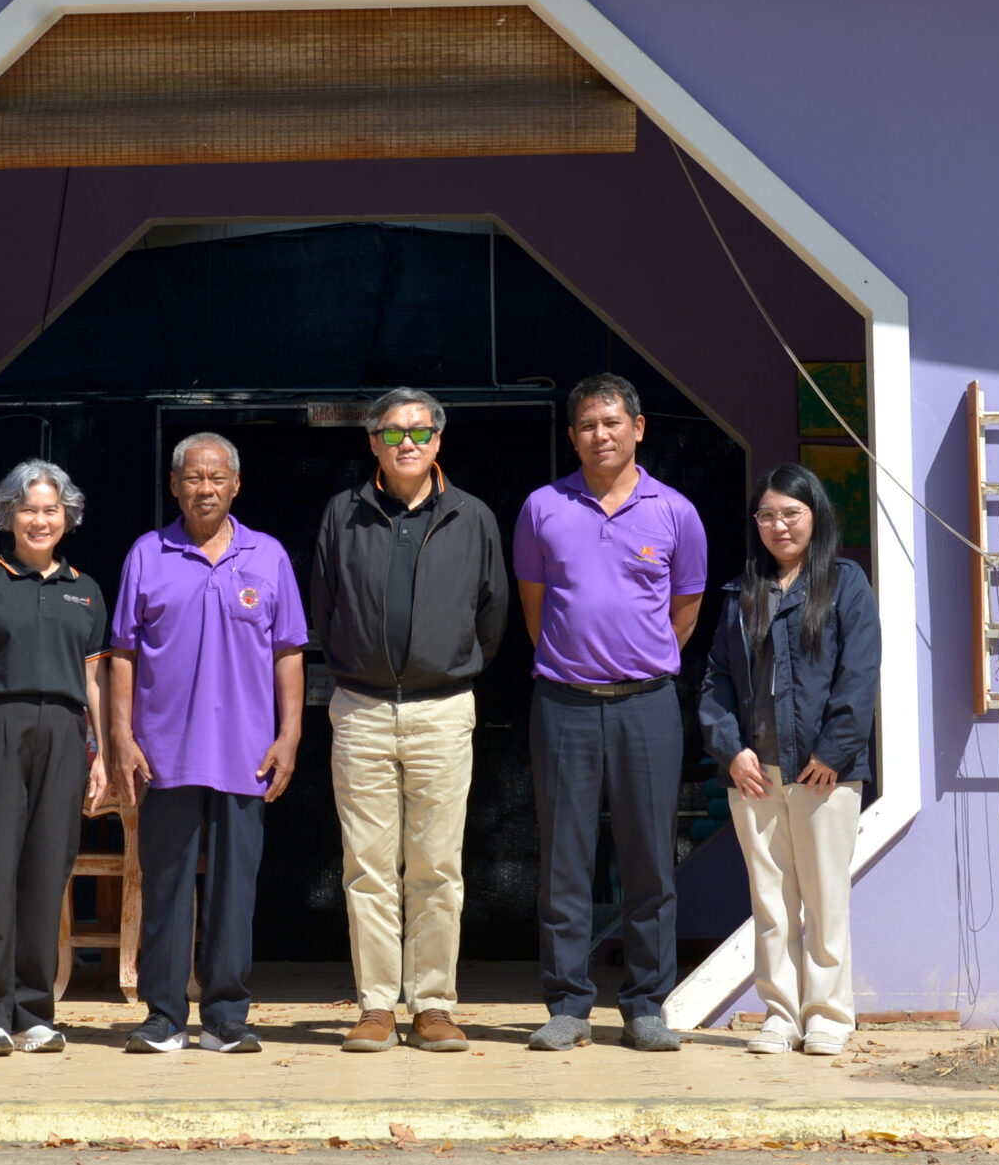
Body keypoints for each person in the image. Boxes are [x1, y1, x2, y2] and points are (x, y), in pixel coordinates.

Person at [309, 388, 510, 1053]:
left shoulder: (471, 516)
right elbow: (324, 605)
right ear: (372, 442)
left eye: (420, 431)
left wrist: (446, 666)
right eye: (392, 432)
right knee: (367, 866)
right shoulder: (343, 513)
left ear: (439, 440)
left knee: (436, 867)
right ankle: (375, 1006)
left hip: (442, 711)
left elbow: (493, 612)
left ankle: (432, 1005)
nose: (406, 443)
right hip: (361, 709)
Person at [511, 372, 706, 1052]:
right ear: (572, 435)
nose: (601, 434)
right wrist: (578, 663)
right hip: (563, 703)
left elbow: (685, 610)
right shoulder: (542, 507)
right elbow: (534, 608)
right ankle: (568, 1005)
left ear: (639, 428)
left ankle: (646, 1004)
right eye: (588, 425)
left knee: (650, 858)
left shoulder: (675, 511)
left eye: (613, 422)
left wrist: (637, 662)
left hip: (646, 705)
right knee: (565, 859)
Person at [108, 432, 307, 1054]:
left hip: (247, 752)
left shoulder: (268, 556)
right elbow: (122, 653)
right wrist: (121, 736)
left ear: (236, 485)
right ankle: (163, 1015)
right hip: (164, 752)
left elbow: (289, 651)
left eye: (217, 478)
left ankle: (226, 1016)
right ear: (174, 485)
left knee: (234, 889)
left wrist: (290, 734)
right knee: (165, 883)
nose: (205, 488)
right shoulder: (148, 553)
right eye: (193, 477)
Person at [699, 463, 879, 1059]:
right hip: (757, 775)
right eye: (768, 515)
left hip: (824, 773)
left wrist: (835, 750)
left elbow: (860, 674)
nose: (780, 526)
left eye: (791, 514)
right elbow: (717, 680)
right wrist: (732, 751)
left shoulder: (845, 583)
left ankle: (828, 1015)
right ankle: (780, 1014)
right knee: (771, 902)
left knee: (825, 898)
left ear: (815, 516)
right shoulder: (739, 593)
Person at [0, 460, 111, 1055]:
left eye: (51, 510)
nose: (40, 520)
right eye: (28, 509)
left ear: (68, 516)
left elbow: (95, 684)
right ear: (9, 516)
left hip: (65, 734)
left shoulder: (86, 590)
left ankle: (33, 1011)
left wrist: (101, 754)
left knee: (47, 874)